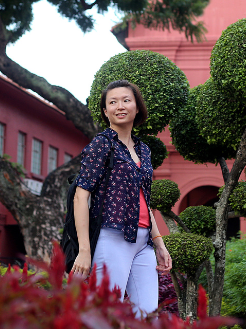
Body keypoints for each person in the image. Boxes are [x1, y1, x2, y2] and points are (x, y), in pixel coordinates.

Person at [72, 79, 172, 317]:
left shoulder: (143, 150)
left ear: (137, 107)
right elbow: (80, 195)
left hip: (143, 243)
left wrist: (159, 242)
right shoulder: (102, 144)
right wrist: (85, 249)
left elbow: (144, 199)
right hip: (112, 236)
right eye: (113, 102)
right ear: (105, 111)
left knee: (148, 315)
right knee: (104, 314)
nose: (120, 106)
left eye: (126, 100)